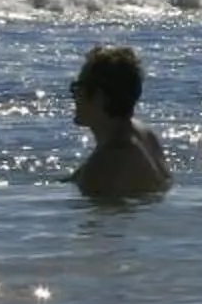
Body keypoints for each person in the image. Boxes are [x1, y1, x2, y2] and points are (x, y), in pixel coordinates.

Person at [69, 43, 171, 197]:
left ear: (98, 97)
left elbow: (94, 208)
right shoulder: (144, 134)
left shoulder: (106, 163)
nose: (74, 96)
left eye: (78, 87)